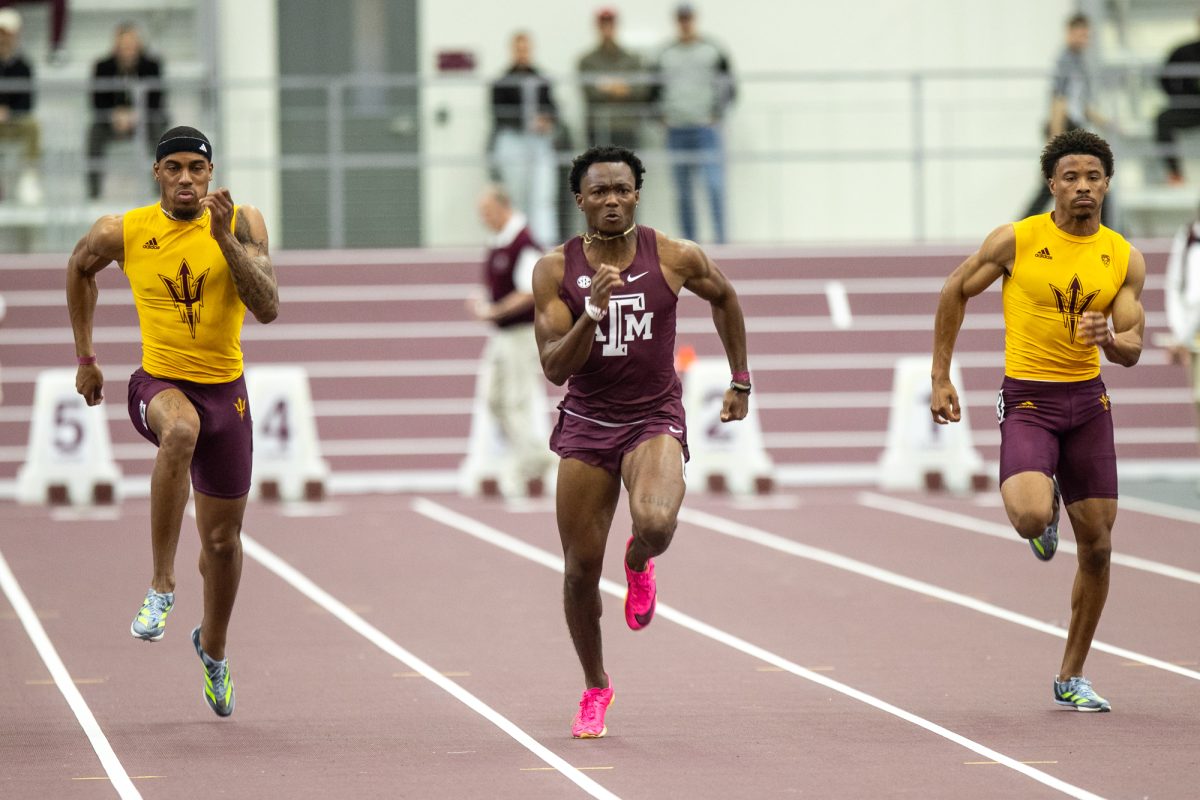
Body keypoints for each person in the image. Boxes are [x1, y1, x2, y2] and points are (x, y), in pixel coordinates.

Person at [532, 144, 750, 738]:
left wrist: (740, 380)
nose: (611, 200)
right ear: (579, 199)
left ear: (636, 194)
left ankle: (638, 562)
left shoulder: (674, 256)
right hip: (587, 423)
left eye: (621, 189)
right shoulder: (555, 269)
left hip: (653, 415)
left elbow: (726, 298)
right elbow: (554, 367)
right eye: (598, 191)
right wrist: (592, 313)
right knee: (579, 572)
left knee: (654, 525)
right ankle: (596, 686)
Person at [66, 126, 279, 717]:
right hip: (158, 383)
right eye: (174, 168)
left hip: (226, 394)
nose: (186, 178)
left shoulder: (241, 221)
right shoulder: (125, 230)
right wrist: (86, 357)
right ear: (157, 173)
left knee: (222, 543)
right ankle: (161, 585)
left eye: (197, 168)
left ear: (211, 174)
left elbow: (267, 308)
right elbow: (80, 268)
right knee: (179, 431)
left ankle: (212, 650)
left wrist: (225, 240)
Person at [931, 129, 1146, 713]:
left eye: (1093, 177)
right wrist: (941, 378)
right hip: (1029, 397)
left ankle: (1072, 674)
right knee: (1027, 515)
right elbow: (955, 290)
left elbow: (1133, 348)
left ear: (1107, 183)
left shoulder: (1123, 257)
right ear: (1051, 184)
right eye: (1070, 177)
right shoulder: (1017, 240)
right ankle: (1046, 509)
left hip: (1088, 404)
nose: (1082, 187)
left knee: (1098, 547)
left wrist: (1111, 338)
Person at [467, 184, 555, 496]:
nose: (485, 219)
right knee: (494, 399)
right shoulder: (499, 241)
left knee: (517, 401)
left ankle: (528, 465)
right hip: (501, 333)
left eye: (488, 212)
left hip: (520, 333)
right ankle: (537, 457)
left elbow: (531, 290)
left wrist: (496, 309)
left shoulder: (524, 242)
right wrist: (485, 302)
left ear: (504, 208)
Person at [652, 3, 735, 244]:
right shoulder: (665, 54)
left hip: (705, 129)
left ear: (694, 20)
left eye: (688, 18)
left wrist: (716, 115)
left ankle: (721, 240)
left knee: (714, 186)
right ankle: (689, 243)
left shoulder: (712, 50)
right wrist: (662, 117)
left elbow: (729, 86)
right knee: (683, 192)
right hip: (677, 130)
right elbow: (653, 89)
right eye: (681, 19)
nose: (685, 23)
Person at [1021, 14, 1110, 222]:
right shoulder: (1065, 61)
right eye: (1080, 34)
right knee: (1071, 180)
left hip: (1074, 125)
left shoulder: (1080, 61)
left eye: (1087, 35)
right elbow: (1059, 101)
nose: (1084, 39)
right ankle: (1019, 229)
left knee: (1064, 182)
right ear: (1069, 33)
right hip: (1064, 127)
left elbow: (1081, 103)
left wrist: (1106, 122)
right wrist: (1056, 138)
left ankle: (1020, 227)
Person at [489, 31, 559, 248]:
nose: (522, 53)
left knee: (542, 194)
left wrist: (546, 121)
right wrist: (526, 122)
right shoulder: (501, 82)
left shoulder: (542, 79)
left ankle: (544, 242)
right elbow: (499, 115)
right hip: (513, 142)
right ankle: (518, 243)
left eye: (525, 48)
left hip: (538, 143)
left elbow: (553, 109)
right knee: (517, 195)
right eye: (518, 48)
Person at [87, 22, 168, 200]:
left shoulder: (152, 65)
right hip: (113, 122)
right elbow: (97, 101)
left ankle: (161, 191)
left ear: (139, 45)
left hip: (145, 120)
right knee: (94, 133)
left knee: (160, 135)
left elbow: (157, 100)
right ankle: (93, 193)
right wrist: (114, 115)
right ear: (116, 46)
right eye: (124, 46)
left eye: (131, 45)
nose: (128, 50)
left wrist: (137, 115)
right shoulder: (103, 67)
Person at [577, 7, 649, 150]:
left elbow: (640, 91)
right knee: (599, 171)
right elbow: (591, 93)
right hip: (598, 127)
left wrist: (607, 87)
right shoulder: (587, 61)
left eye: (610, 24)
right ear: (597, 27)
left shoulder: (632, 59)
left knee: (628, 171)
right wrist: (622, 88)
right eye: (603, 24)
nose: (607, 28)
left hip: (626, 126)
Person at [1163, 202, 1200, 476]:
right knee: (1199, 399)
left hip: (1192, 332)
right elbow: (1175, 285)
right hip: (1194, 335)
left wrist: (1183, 336)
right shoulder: (1187, 236)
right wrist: (1180, 332)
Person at [0, 7, 41, 205]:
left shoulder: (24, 65)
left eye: (7, 34)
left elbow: (27, 101)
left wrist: (8, 111)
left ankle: (29, 176)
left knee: (32, 125)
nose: (3, 39)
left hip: (14, 121)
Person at [1155, 16, 1200, 185]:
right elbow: (1163, 78)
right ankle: (1175, 174)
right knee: (1162, 120)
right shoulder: (1183, 51)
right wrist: (1178, 97)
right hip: (1189, 109)